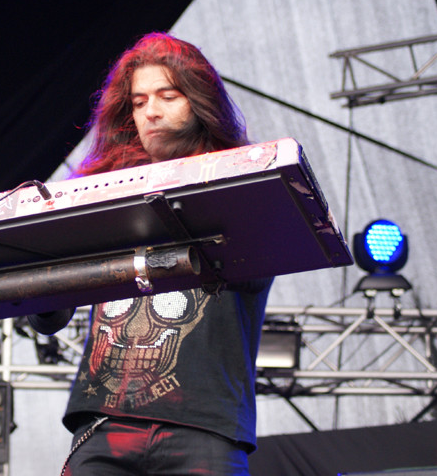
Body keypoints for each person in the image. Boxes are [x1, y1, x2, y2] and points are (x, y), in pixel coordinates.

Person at [29, 32, 273, 475]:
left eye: (167, 96)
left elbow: (253, 272)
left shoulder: (245, 180)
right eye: (139, 103)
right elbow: (51, 315)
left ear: (200, 102)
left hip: (205, 428)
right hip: (105, 424)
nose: (151, 112)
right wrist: (42, 277)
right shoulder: (103, 193)